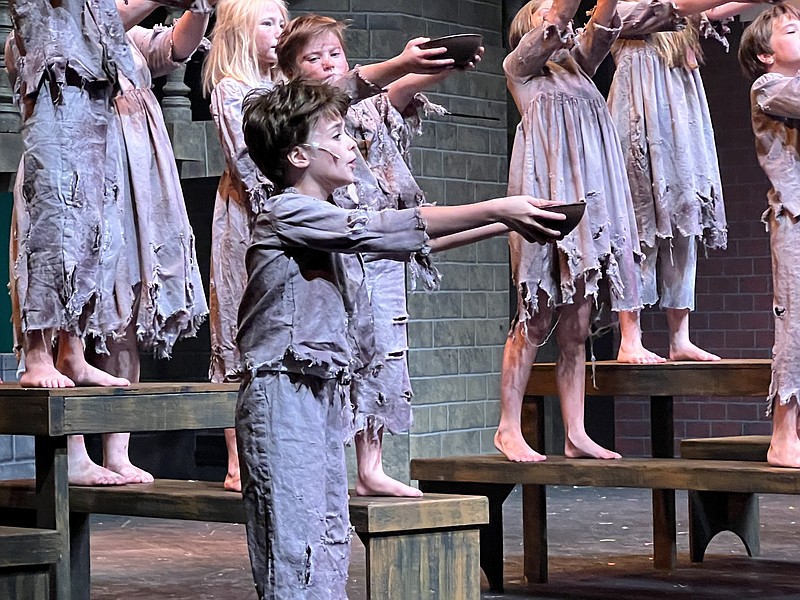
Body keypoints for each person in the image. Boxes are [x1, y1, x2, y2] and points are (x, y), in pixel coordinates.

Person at [236, 78, 562, 599]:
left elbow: (406, 241)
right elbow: (385, 229)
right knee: (293, 546)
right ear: (298, 154)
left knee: (325, 538)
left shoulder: (328, 222)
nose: (351, 146)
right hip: (282, 393)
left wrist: (506, 225)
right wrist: (499, 207)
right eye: (338, 135)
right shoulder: (286, 213)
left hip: (317, 394)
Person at [276, 14, 484, 497]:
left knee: (386, 348)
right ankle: (331, 463)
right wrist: (402, 61)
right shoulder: (301, 111)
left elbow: (395, 91)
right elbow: (359, 85)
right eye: (314, 57)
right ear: (291, 70)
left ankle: (372, 466)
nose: (328, 64)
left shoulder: (365, 107)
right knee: (343, 348)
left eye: (335, 54)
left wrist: (440, 65)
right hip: (336, 242)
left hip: (384, 240)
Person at [6, 0, 211, 485]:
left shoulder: (126, 37)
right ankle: (74, 452)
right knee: (64, 276)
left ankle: (116, 450)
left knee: (123, 308)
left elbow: (172, 47)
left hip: (131, 179)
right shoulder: (47, 28)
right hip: (72, 161)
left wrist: (200, 7)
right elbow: (86, 30)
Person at [494, 0, 644, 462]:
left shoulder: (579, 67)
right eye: (540, 10)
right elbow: (560, 19)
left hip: (589, 198)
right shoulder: (520, 67)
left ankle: (575, 432)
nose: (554, 16)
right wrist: (555, 14)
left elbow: (600, 25)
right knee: (535, 316)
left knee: (578, 324)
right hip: (545, 194)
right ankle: (507, 428)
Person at [608, 0, 760, 363]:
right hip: (640, 116)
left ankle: (680, 337)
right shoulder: (621, 8)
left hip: (681, 116)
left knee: (684, 215)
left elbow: (704, 12)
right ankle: (630, 337)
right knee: (639, 222)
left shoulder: (681, 22)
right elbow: (669, 9)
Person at [202, 0, 289, 493]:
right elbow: (244, 157)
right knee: (238, 323)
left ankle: (276, 447)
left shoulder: (285, 89)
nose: (280, 31)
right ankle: (238, 459)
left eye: (283, 22)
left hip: (290, 217)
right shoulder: (231, 89)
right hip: (247, 215)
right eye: (268, 23)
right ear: (240, 32)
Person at [738, 2, 800, 468]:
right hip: (795, 220)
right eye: (793, 31)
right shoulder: (768, 86)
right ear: (766, 54)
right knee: (794, 324)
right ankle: (782, 434)